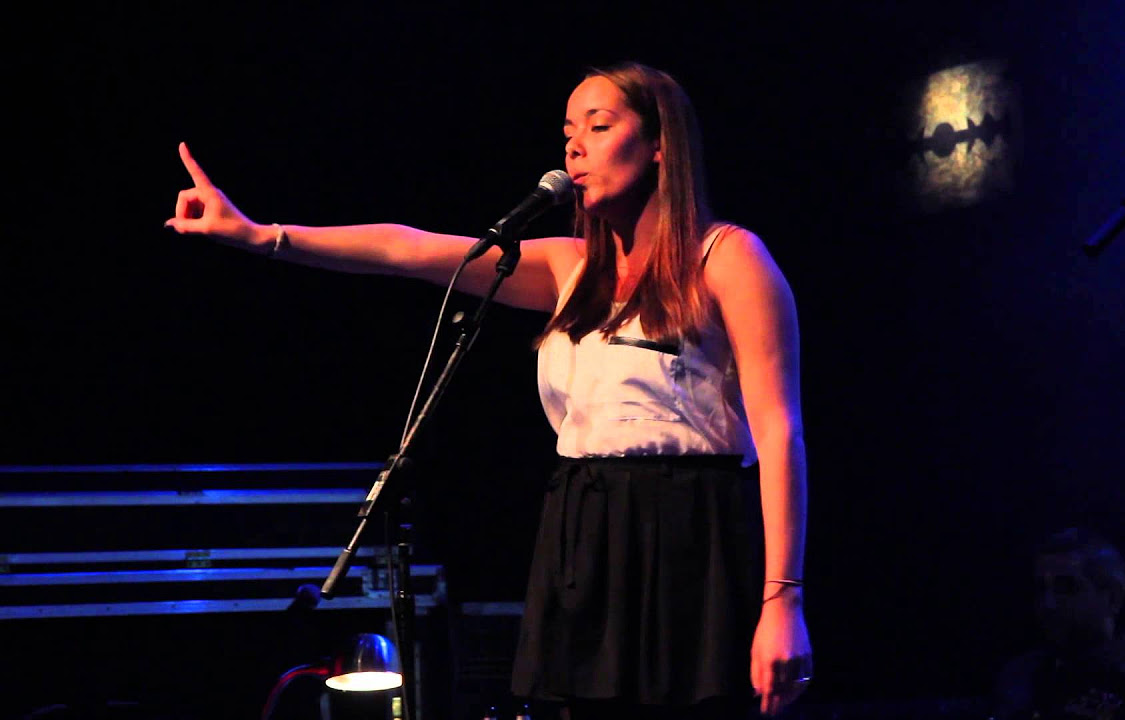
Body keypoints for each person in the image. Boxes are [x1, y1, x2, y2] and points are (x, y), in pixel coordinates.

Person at [166, 62, 812, 719]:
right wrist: (261, 236)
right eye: (567, 132)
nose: (574, 146)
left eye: (599, 124)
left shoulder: (728, 259)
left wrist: (781, 598)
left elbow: (780, 433)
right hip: (584, 532)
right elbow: (404, 249)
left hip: (690, 534)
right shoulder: (569, 266)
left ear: (659, 145)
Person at [990, 527, 1125, 720]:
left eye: (1066, 588)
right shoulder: (1020, 676)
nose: (1048, 603)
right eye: (1041, 588)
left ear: (1112, 597)